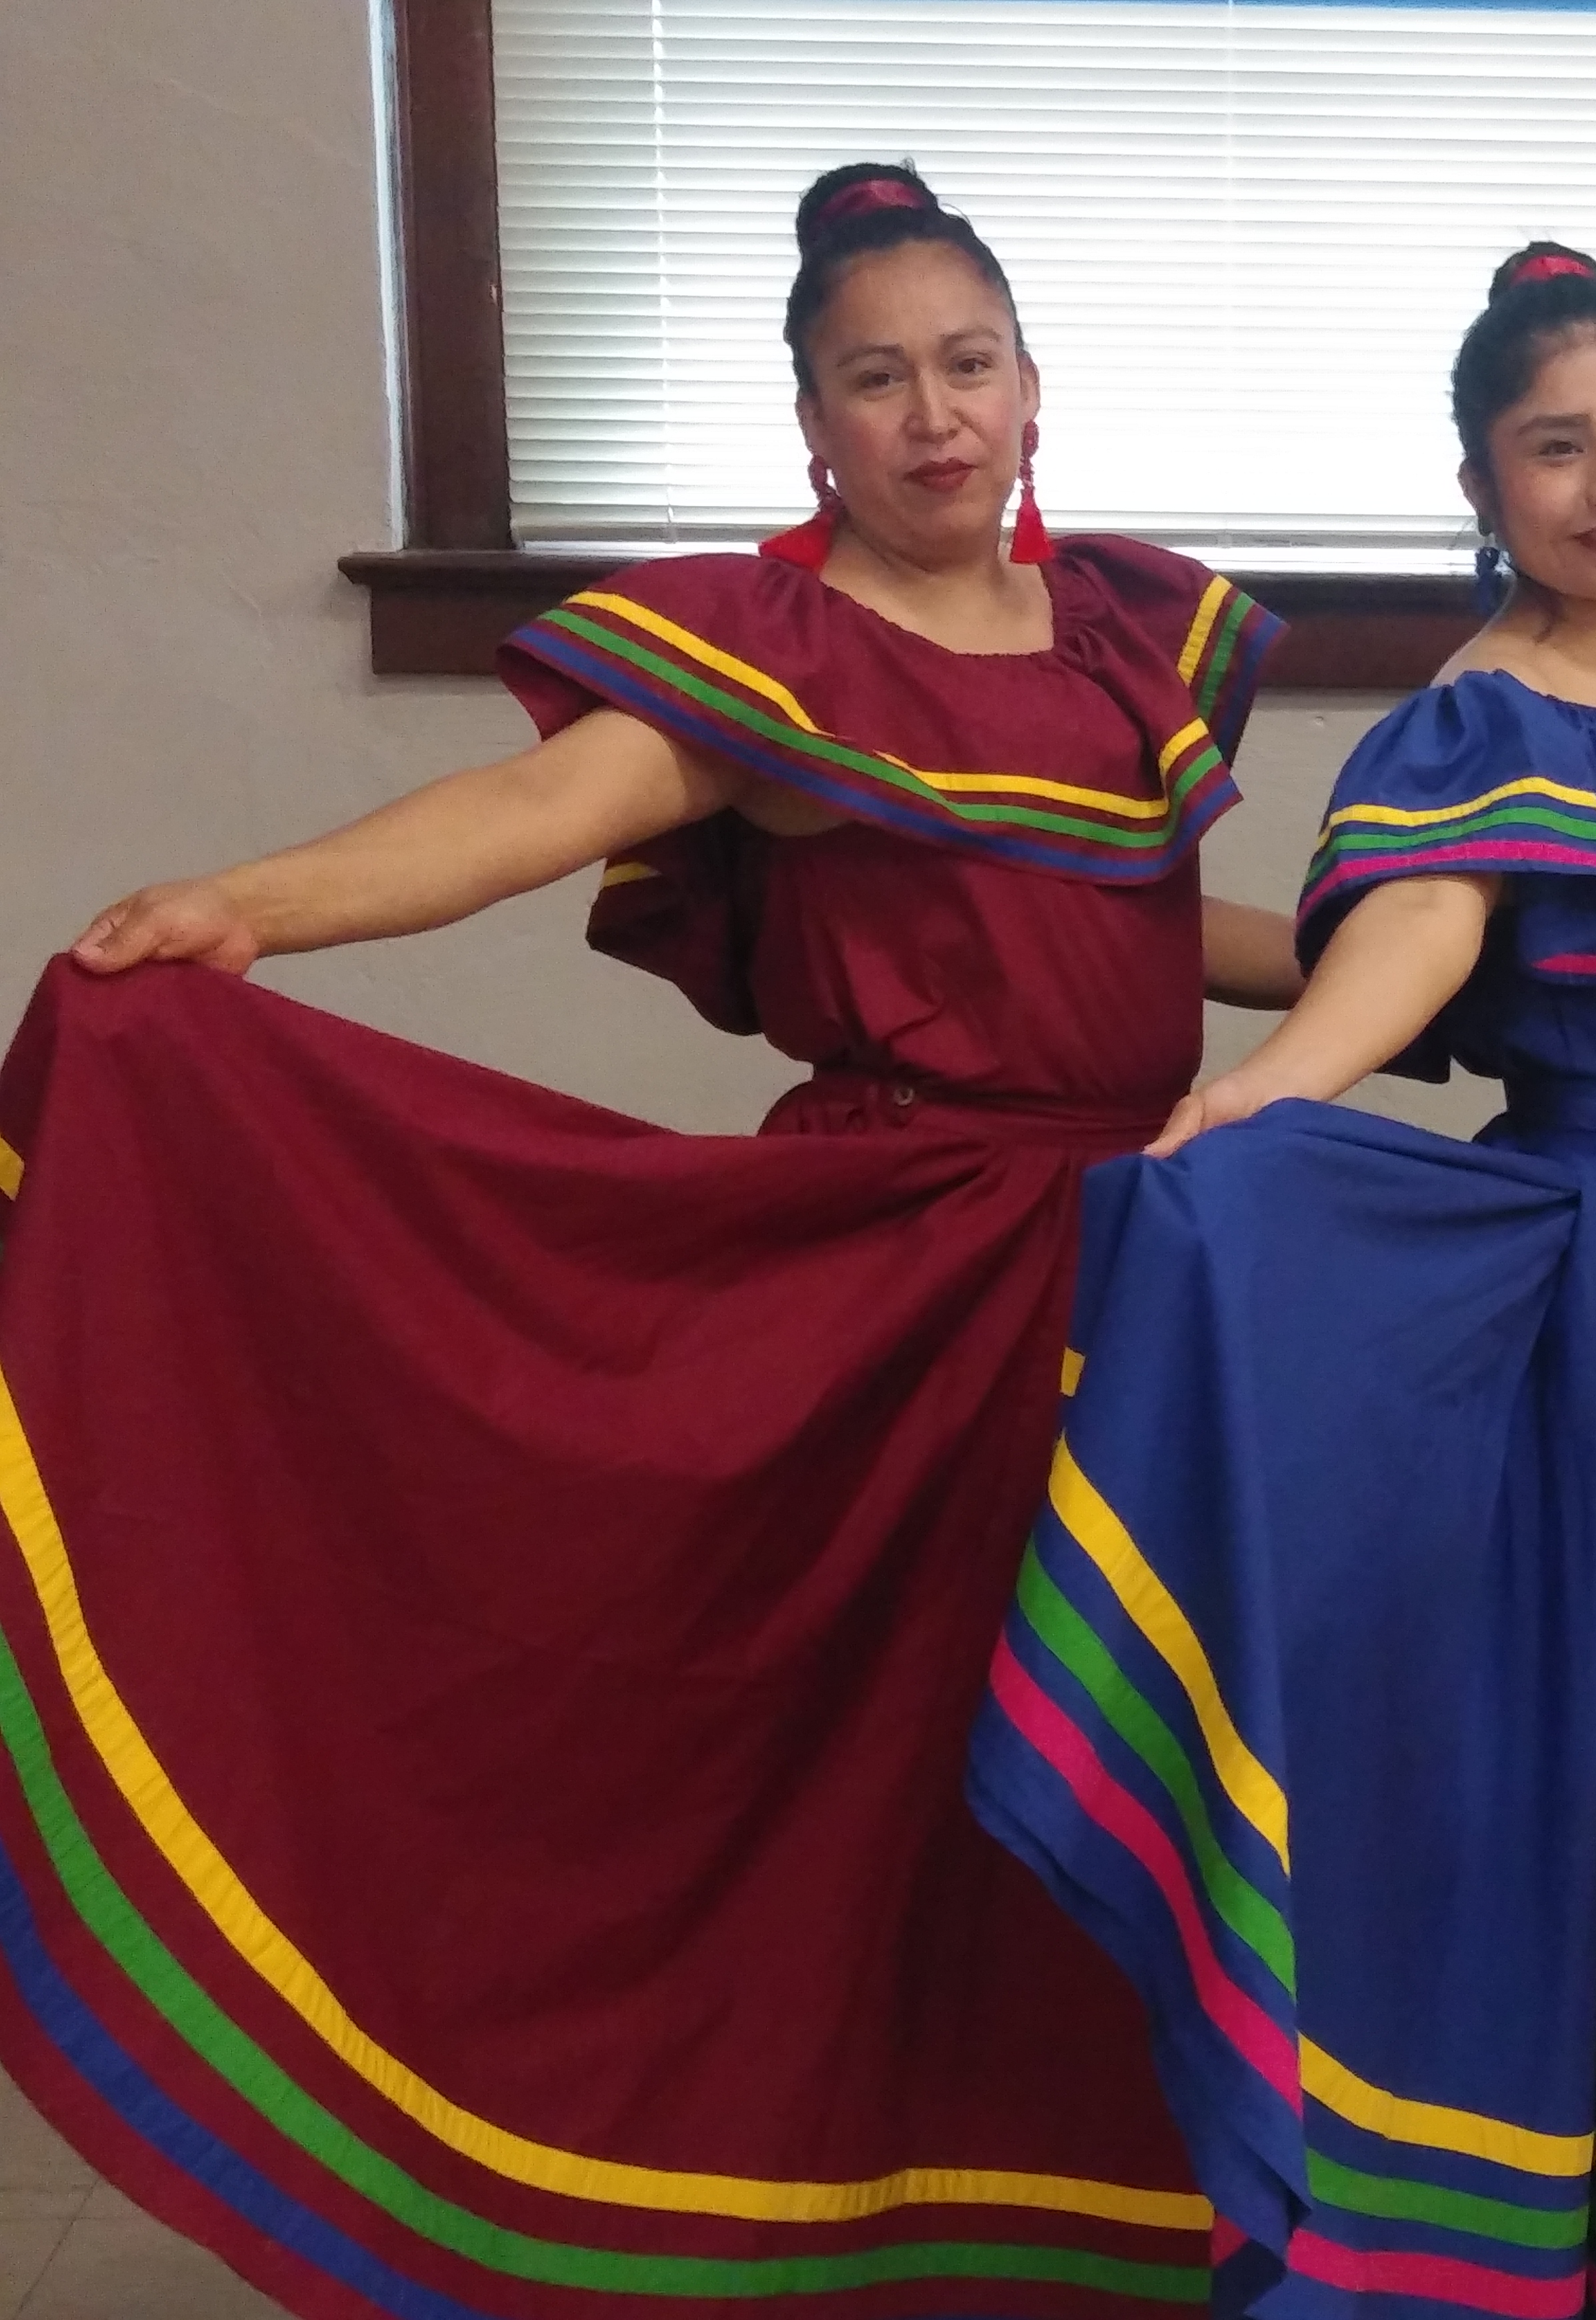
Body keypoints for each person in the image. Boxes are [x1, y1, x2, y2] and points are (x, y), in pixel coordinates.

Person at [0, 161, 1295, 2319]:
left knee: (1106, 1758)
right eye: (876, 379)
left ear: (1033, 385)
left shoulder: (1117, 651)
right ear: (816, 427)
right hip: (908, 1289)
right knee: (863, 1770)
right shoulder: (778, 664)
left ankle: (1090, 2214)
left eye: (966, 363)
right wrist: (254, 905)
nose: (932, 412)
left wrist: (1414, 974)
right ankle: (783, 2201)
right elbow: (519, 818)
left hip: (1148, 1268)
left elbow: (1148, 928)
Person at [963, 245, 1596, 2320]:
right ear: (1483, 482)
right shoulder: (1475, 719)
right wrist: (1272, 1091)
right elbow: (1411, 936)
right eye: (1554, 445)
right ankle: (1543, 2214)